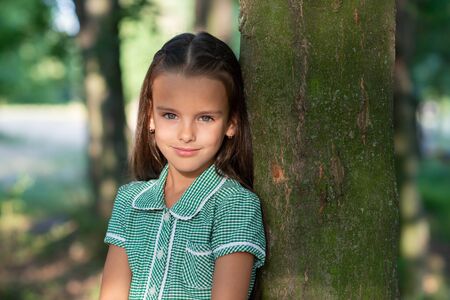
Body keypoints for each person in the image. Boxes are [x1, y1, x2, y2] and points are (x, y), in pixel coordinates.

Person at [99, 31, 266, 300]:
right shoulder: (129, 201)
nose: (186, 134)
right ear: (150, 116)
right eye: (170, 115)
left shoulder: (234, 205)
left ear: (231, 123)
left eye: (205, 118)